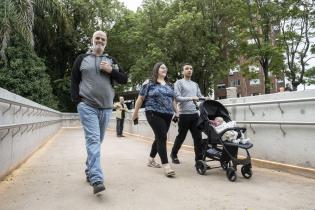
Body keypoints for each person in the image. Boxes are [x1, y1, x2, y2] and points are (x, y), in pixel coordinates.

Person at [70, 30, 127, 194]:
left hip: (107, 108)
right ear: (92, 40)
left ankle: (89, 169)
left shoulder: (110, 60)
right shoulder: (82, 59)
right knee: (94, 140)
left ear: (106, 42)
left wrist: (111, 71)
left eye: (103, 39)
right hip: (87, 106)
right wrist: (78, 101)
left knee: (97, 141)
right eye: (97, 38)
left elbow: (124, 79)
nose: (100, 41)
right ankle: (96, 178)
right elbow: (74, 80)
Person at [132, 62, 179, 177]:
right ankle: (166, 166)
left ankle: (151, 160)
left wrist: (177, 112)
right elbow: (140, 98)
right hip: (153, 113)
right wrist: (135, 113)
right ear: (157, 69)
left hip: (168, 115)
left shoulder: (169, 85)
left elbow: (172, 100)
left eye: (166, 68)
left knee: (159, 137)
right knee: (162, 137)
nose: (165, 69)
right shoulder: (149, 83)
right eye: (162, 67)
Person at [170, 63, 209, 165]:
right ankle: (173, 154)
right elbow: (177, 98)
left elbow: (199, 96)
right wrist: (191, 98)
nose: (189, 70)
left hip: (195, 114)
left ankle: (199, 160)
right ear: (183, 71)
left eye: (191, 68)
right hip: (184, 115)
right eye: (187, 69)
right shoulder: (179, 83)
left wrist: (205, 98)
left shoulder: (195, 84)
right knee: (181, 137)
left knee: (198, 138)